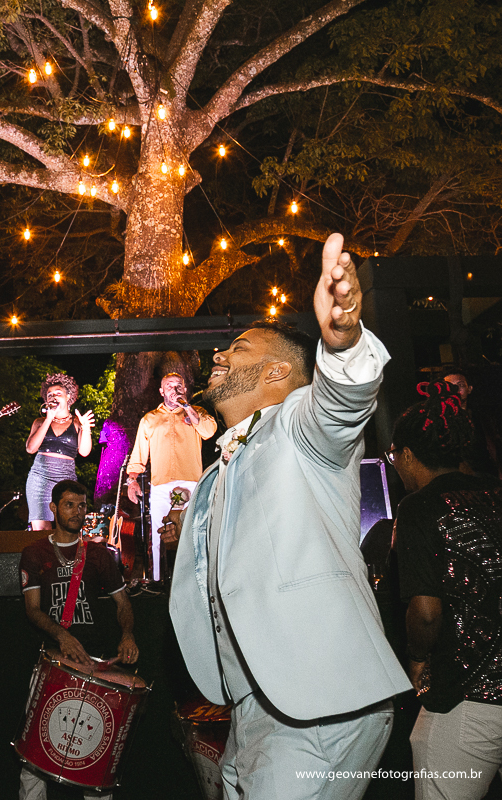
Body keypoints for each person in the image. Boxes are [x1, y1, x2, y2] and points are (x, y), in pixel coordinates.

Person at [168, 233, 411, 800]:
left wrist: (344, 342)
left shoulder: (298, 427)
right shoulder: (217, 468)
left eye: (241, 348)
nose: (220, 355)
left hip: (320, 699)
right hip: (257, 704)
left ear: (279, 373)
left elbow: (342, 401)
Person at [388, 382, 501, 800]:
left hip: (468, 696)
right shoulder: (497, 493)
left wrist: (418, 660)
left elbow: (428, 612)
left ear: (408, 456)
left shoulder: (418, 507)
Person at [17, 479, 138, 800]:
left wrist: (127, 634)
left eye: (82, 505)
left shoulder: (99, 555)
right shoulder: (34, 552)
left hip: (93, 665)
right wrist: (61, 636)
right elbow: (32, 610)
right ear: (54, 508)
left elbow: (124, 604)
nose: (77, 511)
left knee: (95, 753)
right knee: (35, 752)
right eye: (69, 504)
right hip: (51, 661)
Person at [125, 373, 216, 583]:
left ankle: (196, 581)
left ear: (184, 389)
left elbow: (208, 431)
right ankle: (158, 581)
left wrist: (187, 407)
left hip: (191, 483)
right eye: (169, 386)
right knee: (158, 534)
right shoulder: (150, 418)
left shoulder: (196, 413)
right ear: (161, 391)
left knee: (191, 532)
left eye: (178, 386)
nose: (174, 390)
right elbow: (139, 454)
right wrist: (132, 480)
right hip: (161, 485)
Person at [25, 374, 94, 531]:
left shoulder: (77, 423)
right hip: (39, 479)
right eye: (50, 395)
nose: (53, 397)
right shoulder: (40, 422)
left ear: (68, 397)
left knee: (68, 528)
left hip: (66, 478)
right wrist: (49, 418)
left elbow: (84, 452)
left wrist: (86, 428)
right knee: (42, 532)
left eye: (58, 393)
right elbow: (30, 448)